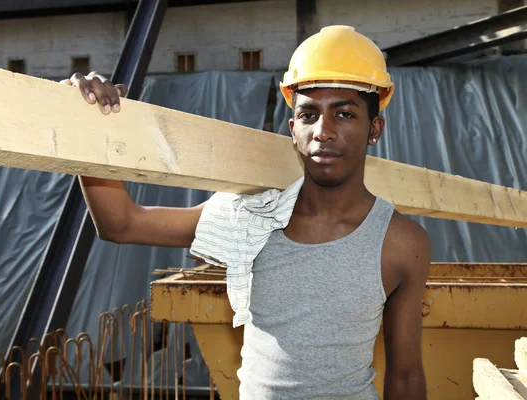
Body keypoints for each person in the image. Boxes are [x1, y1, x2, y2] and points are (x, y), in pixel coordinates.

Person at [62, 25, 430, 400]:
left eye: (345, 114)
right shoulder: (251, 216)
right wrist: (86, 122)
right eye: (308, 115)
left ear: (375, 128)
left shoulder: (400, 243)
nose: (323, 131)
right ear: (292, 129)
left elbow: (405, 377)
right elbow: (121, 224)